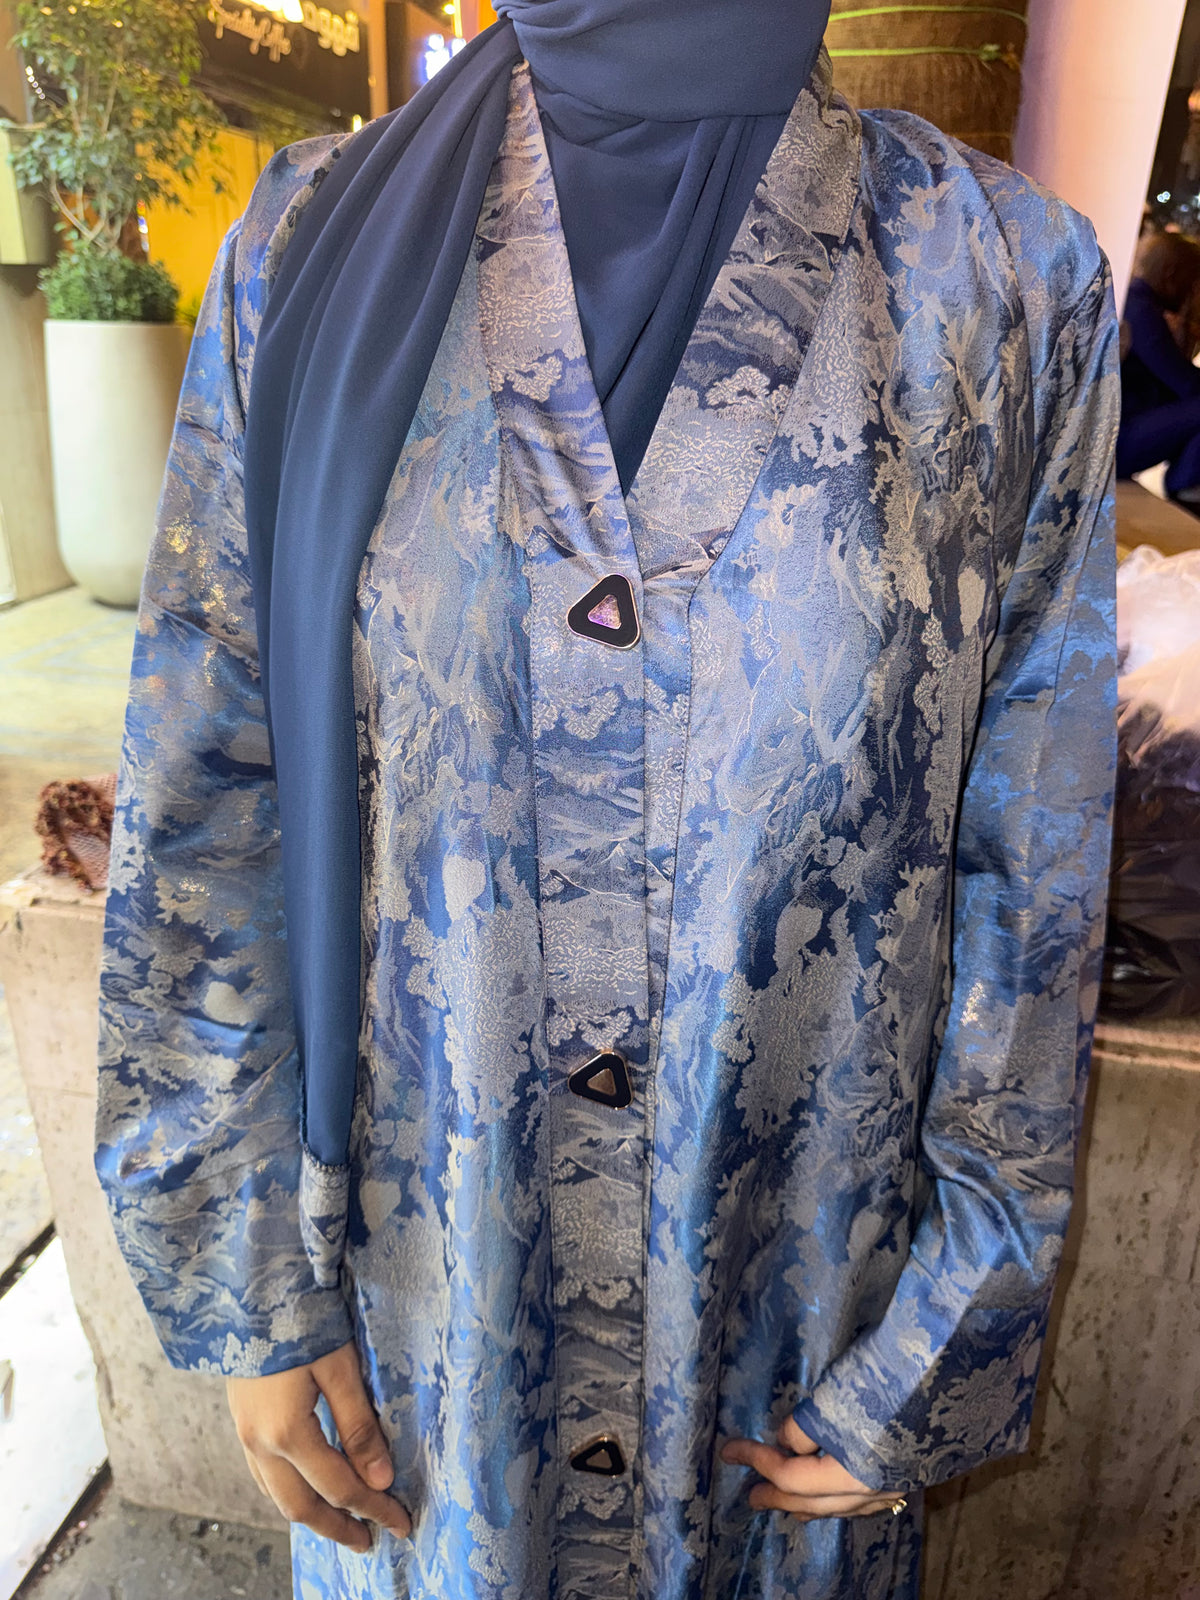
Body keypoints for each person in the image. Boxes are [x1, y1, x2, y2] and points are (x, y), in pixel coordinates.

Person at [93, 2, 1120, 1596]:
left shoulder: (1003, 285)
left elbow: (1033, 864)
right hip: (426, 1370)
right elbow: (208, 790)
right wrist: (248, 1282)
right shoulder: (306, 250)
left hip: (788, 1360)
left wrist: (946, 1329)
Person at [1118, 229, 1200, 503]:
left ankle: (1186, 485)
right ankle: (1184, 489)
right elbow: (1185, 384)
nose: (1193, 293)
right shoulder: (1140, 310)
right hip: (1117, 442)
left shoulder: (1133, 301)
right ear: (1171, 275)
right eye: (1192, 282)